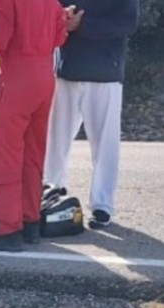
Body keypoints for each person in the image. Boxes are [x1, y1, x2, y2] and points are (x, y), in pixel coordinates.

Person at [0, 0, 73, 251]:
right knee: (33, 155)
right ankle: (30, 221)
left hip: (15, 79)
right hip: (45, 77)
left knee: (6, 158)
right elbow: (60, 35)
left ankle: (8, 230)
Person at [43, 0, 139, 230]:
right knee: (55, 140)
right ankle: (51, 194)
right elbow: (50, 10)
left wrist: (83, 25)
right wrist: (62, 19)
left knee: (105, 144)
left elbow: (127, 22)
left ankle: (102, 206)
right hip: (66, 71)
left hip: (105, 72)